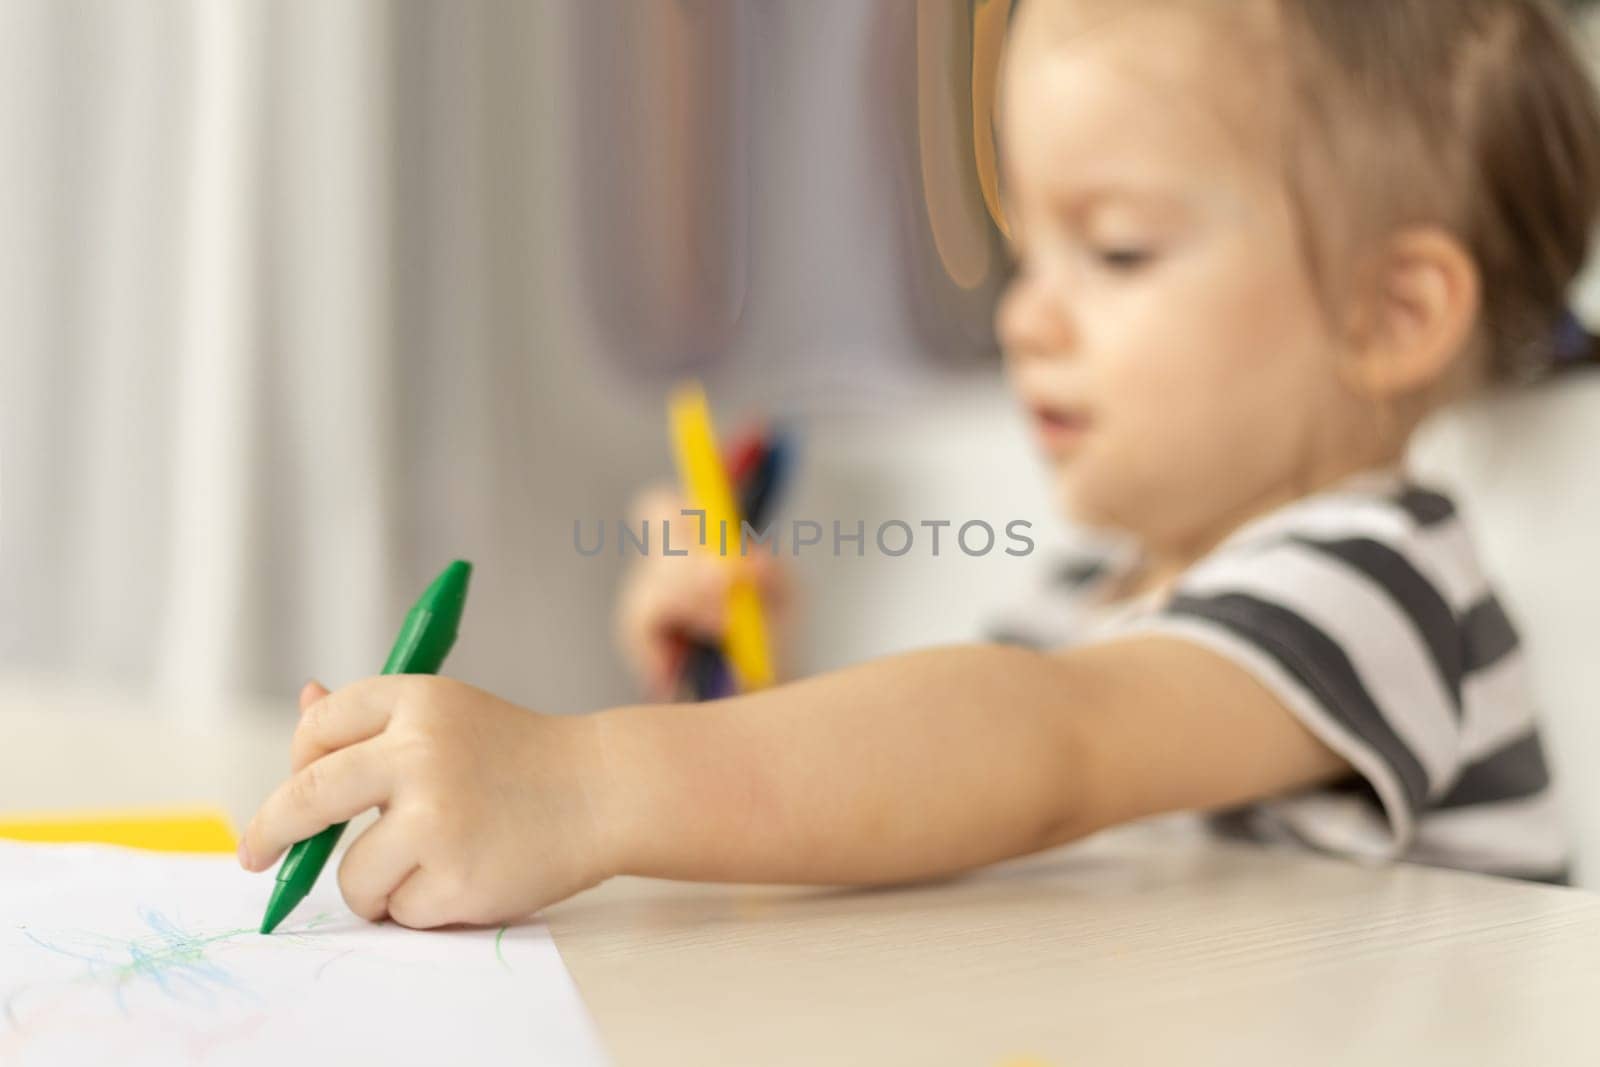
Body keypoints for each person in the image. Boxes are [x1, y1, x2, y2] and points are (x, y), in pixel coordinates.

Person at [240, 0, 1600, 927]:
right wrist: (718, 685)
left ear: (1395, 314)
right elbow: (944, 802)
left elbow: (1050, 747)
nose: (1025, 314)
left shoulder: (1379, 585)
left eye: (1116, 249)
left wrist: (590, 781)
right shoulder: (1095, 589)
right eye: (1028, 251)